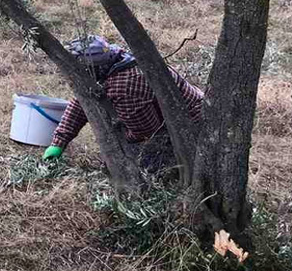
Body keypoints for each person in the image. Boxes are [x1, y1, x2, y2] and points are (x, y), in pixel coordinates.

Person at [43, 35, 203, 172]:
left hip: (191, 126)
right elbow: (83, 101)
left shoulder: (125, 86)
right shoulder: (116, 59)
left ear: (94, 69)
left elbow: (147, 132)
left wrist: (117, 136)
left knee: (148, 166)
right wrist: (59, 141)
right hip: (175, 118)